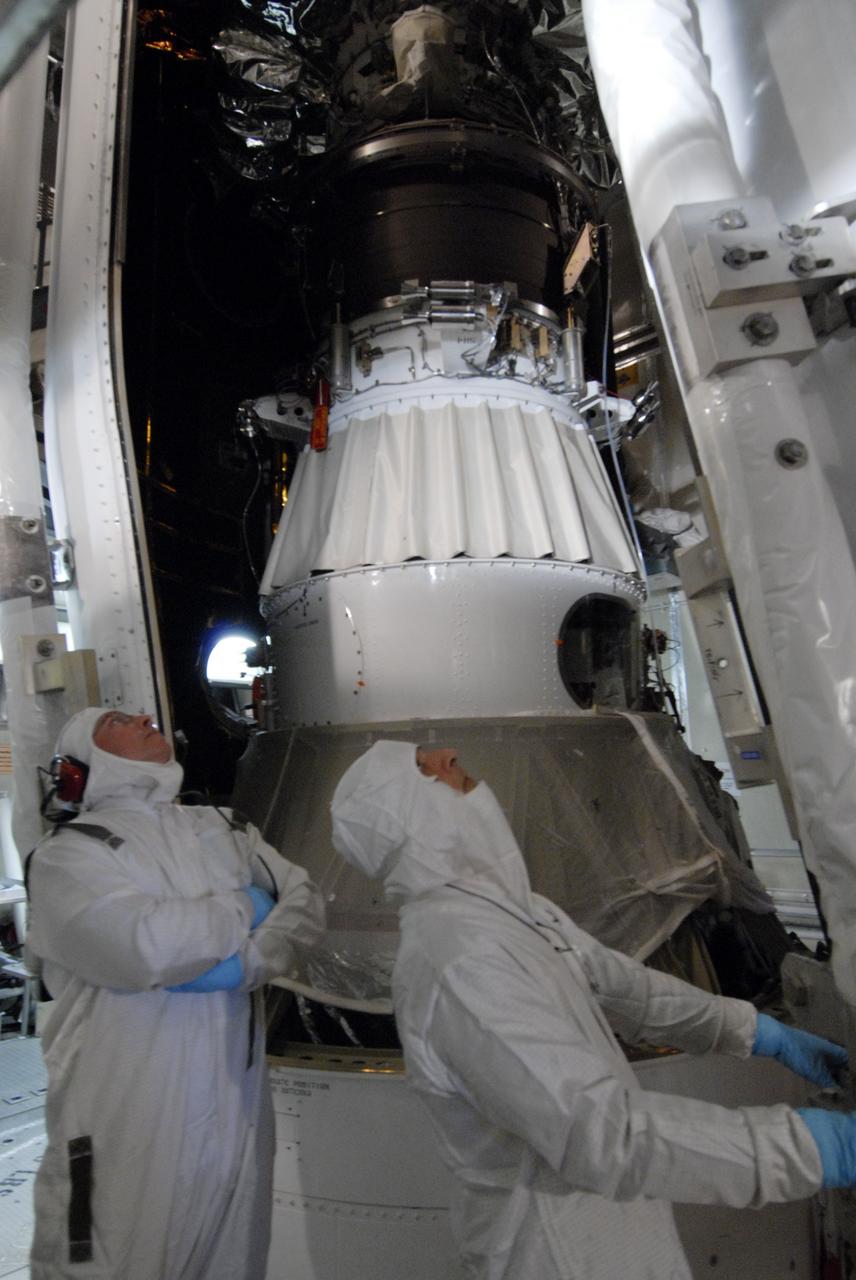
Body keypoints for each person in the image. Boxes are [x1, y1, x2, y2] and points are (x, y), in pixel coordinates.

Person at [330, 740, 856, 1280]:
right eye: (424, 765)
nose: (447, 754)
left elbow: (631, 992)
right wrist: (816, 1148)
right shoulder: (458, 962)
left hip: (607, 1227)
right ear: (406, 818)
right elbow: (602, 1134)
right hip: (554, 1249)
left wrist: (758, 1033)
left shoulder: (515, 914)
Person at [25, 706, 325, 1280]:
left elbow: (305, 904)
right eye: (117, 718)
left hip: (236, 1112)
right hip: (129, 1120)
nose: (143, 716)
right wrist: (248, 908)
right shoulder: (68, 855)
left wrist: (246, 964)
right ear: (84, 758)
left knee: (231, 1261)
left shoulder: (225, 827)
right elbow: (144, 945)